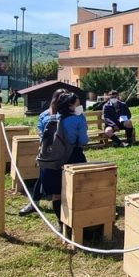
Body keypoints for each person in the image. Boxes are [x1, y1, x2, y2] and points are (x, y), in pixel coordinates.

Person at [34, 92, 89, 230]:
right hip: (73, 158)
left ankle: (61, 223)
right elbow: (83, 140)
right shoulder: (78, 119)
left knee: (56, 195)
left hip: (53, 160)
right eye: (77, 104)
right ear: (70, 106)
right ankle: (77, 221)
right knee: (75, 191)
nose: (80, 106)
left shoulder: (49, 119)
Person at [20, 88, 68, 216]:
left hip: (64, 153)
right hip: (47, 153)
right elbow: (40, 131)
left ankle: (61, 206)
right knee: (42, 178)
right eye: (60, 97)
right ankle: (34, 203)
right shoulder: (44, 115)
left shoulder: (68, 114)